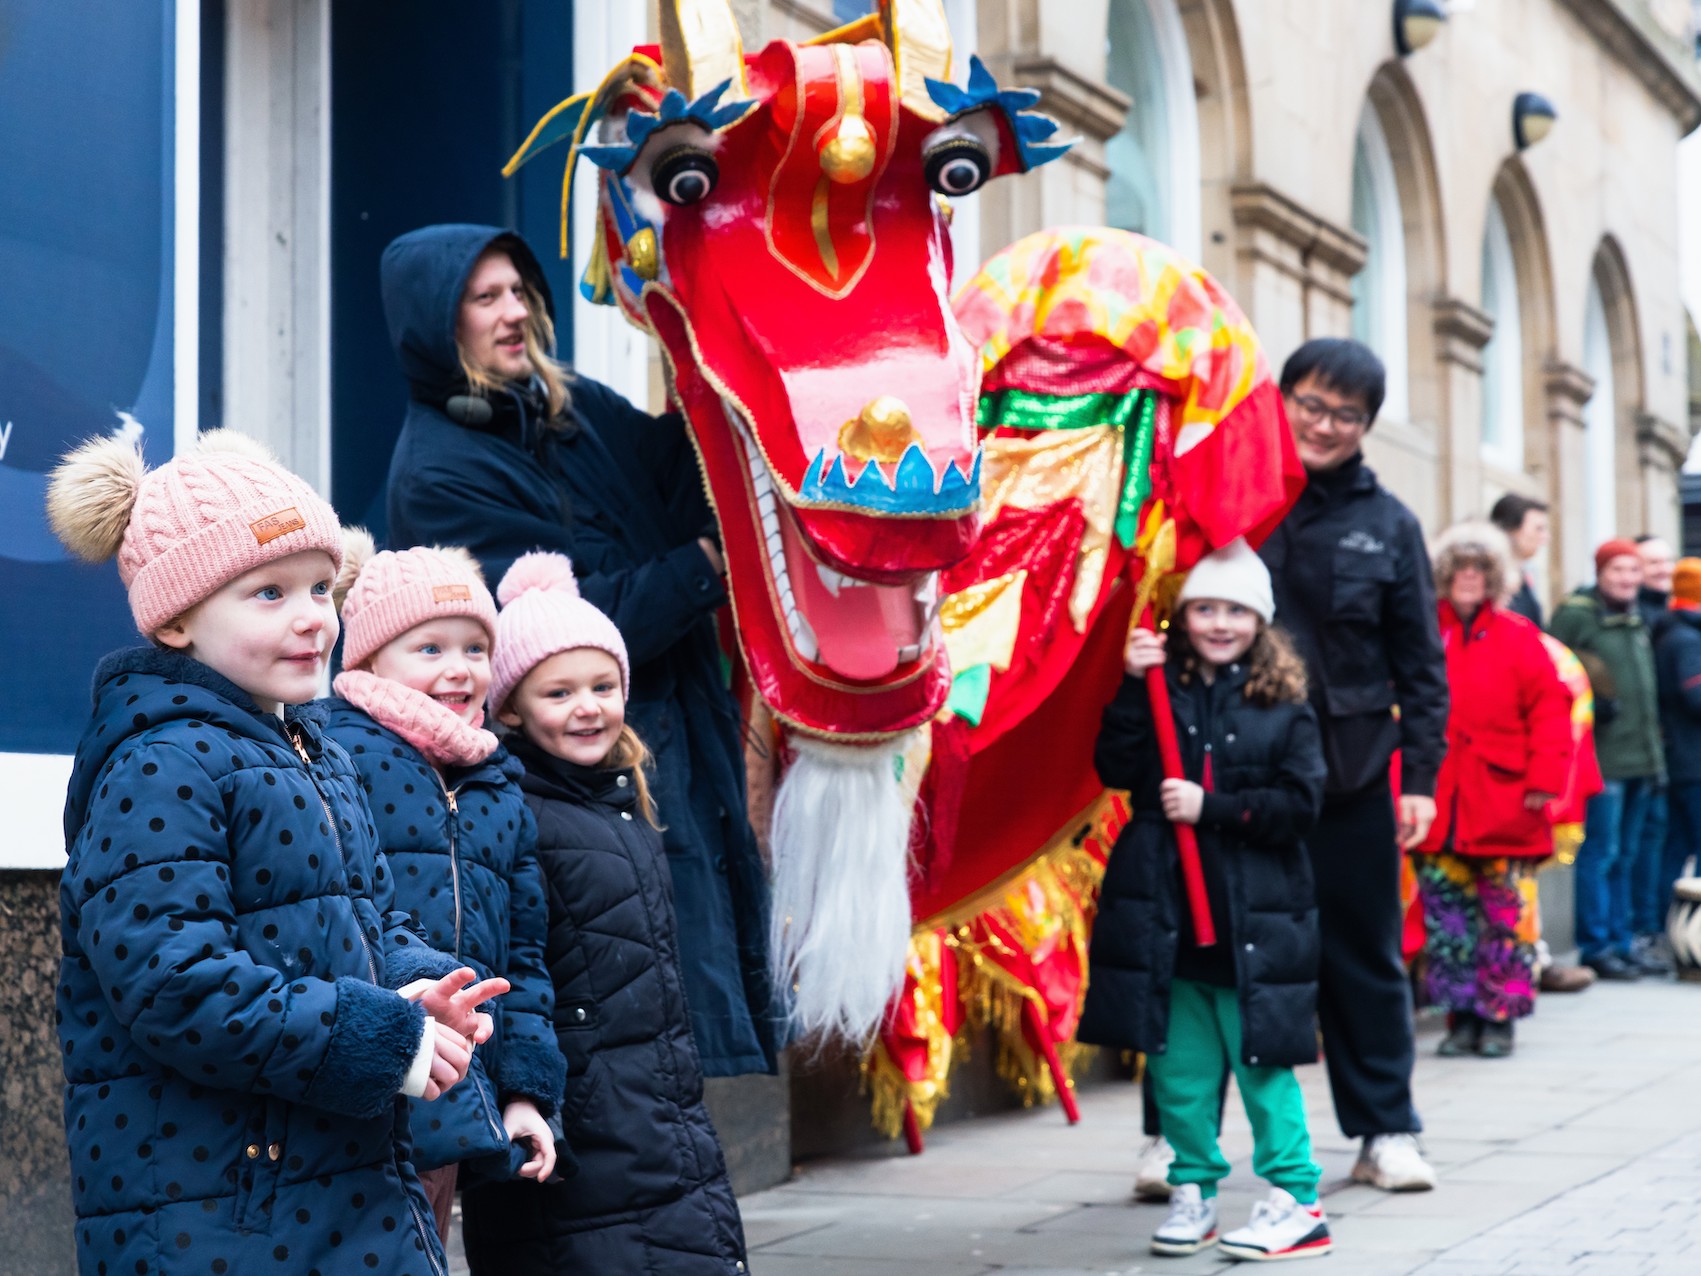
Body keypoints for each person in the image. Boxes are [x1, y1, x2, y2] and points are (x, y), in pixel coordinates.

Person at [45, 429, 505, 1275]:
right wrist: (375, 1037)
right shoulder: (159, 762)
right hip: (217, 1206)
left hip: (330, 1181)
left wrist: (420, 990)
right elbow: (172, 982)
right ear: (177, 618)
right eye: (268, 593)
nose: (312, 618)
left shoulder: (313, 749)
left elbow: (364, 913)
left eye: (322, 588)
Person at [380, 224, 778, 1078]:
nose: (512, 312)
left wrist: (720, 357)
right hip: (569, 772)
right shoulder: (438, 470)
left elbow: (684, 469)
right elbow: (555, 635)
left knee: (668, 994)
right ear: (435, 323)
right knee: (614, 1004)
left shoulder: (573, 407)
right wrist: (711, 562)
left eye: (519, 291)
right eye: (484, 298)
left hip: (662, 737)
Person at [460, 553, 749, 1273]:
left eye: (602, 685)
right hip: (586, 1124)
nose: (587, 706)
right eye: (558, 692)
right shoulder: (514, 809)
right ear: (512, 708)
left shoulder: (620, 804)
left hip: (653, 1113)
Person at [1080, 541, 1330, 1262]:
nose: (1219, 623)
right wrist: (1132, 688)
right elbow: (1116, 767)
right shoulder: (1163, 687)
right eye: (1204, 608)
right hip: (1165, 910)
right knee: (1178, 1065)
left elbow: (1299, 803)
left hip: (1252, 915)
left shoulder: (1283, 705)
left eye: (1234, 610)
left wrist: (1211, 806)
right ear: (1182, 614)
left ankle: (1295, 1197)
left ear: (1259, 619)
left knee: (1260, 1061)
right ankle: (1194, 1186)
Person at [322, 534, 568, 1244]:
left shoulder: (496, 783)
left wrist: (524, 1091)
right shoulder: (340, 757)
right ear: (368, 658)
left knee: (425, 1243)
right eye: (429, 649)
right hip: (370, 1079)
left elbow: (524, 958)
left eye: (473, 648)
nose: (459, 670)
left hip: (460, 1085)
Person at [1255, 337, 1446, 1191]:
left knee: (1362, 956)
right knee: (1213, 961)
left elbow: (1421, 667)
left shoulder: (1388, 524)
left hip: (1355, 777)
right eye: (1311, 404)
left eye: (1345, 415)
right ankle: (1173, 1141)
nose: (1323, 425)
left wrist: (1421, 780)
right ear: (1282, 396)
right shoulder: (1238, 497)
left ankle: (1384, 1131)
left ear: (1366, 426)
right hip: (1240, 778)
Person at [1412, 524, 1573, 1058]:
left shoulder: (1517, 633)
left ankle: (1500, 1018)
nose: (1468, 580)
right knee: (1447, 920)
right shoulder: (1423, 634)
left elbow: (1551, 709)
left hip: (1505, 797)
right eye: (1458, 570)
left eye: (1478, 571)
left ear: (1493, 579)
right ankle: (1459, 1019)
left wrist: (1544, 781)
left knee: (1505, 917)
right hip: (1439, 801)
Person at [1549, 539, 1666, 980]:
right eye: (1618, 570)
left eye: (1633, 571)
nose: (1627, 579)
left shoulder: (1636, 620)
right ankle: (1596, 944)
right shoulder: (1579, 614)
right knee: (1601, 853)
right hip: (1603, 760)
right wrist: (1593, 701)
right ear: (1600, 572)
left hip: (1642, 757)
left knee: (1627, 854)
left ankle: (1622, 939)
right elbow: (1554, 668)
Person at [1632, 535, 1677, 970]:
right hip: (1642, 751)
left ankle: (1655, 928)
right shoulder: (1637, 614)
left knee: (1655, 842)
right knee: (1634, 848)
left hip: (1660, 753)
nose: (1661, 569)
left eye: (1666, 561)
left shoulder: (1671, 613)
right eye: (1651, 561)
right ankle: (1641, 930)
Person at [1654, 557, 1701, 939]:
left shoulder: (1676, 632)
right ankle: (1686, 933)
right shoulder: (1685, 638)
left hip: (1684, 758)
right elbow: (1696, 696)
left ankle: (1668, 928)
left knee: (1675, 848)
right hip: (1692, 760)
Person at [1488, 493, 1550, 626]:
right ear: (1511, 529)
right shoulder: (1489, 577)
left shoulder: (1525, 574)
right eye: (1538, 529)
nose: (1545, 537)